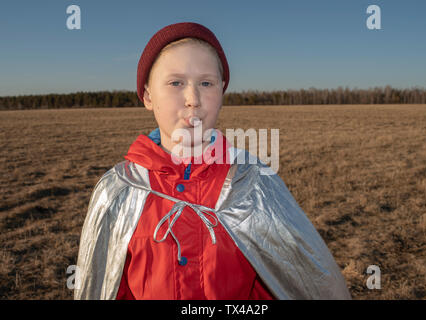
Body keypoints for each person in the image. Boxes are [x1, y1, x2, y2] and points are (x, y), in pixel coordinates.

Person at [74, 22, 351, 300]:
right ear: (147, 95)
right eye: (175, 83)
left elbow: (296, 282)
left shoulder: (254, 184)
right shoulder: (119, 190)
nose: (193, 99)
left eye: (206, 83)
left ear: (221, 92)